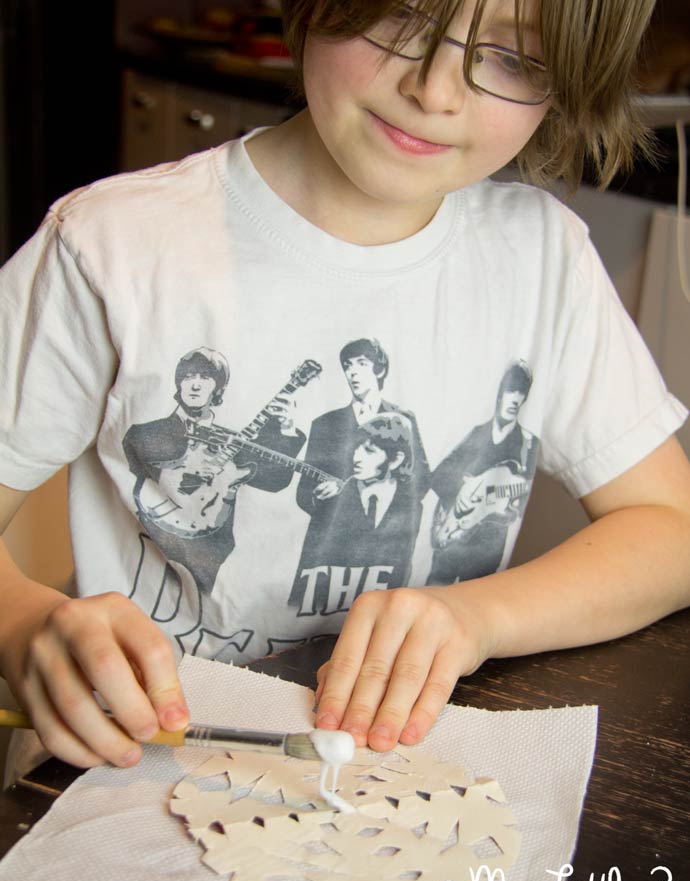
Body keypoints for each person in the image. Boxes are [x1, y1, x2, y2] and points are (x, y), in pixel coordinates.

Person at [1, 0, 690, 773]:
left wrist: (478, 618)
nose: (435, 91)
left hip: (397, 765)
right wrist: (24, 626)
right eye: (404, 19)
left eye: (515, 60)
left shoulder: (543, 259)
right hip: (136, 757)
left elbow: (671, 527)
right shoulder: (112, 247)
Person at [122, 346, 306, 658]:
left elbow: (275, 480)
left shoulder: (233, 440)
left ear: (217, 388)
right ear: (179, 384)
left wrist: (285, 429)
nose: (195, 384)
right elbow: (142, 456)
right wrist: (188, 464)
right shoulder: (146, 431)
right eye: (189, 376)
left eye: (205, 378)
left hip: (218, 546)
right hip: (158, 542)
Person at [289, 337, 430, 608]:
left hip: (386, 551)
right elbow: (304, 494)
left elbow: (421, 481)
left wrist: (384, 488)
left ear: (379, 369)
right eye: (348, 366)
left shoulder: (404, 420)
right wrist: (322, 496)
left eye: (362, 364)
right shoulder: (325, 424)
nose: (353, 372)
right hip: (329, 557)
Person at [293, 411, 424, 616]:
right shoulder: (334, 496)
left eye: (370, 451)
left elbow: (401, 568)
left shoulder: (410, 507)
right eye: (357, 448)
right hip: (321, 612)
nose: (357, 457)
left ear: (396, 460)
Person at [428, 360, 538, 584]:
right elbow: (437, 477)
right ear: (500, 394)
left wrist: (504, 507)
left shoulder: (528, 445)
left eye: (521, 393)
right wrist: (464, 487)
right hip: (451, 537)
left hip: (487, 548)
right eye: (511, 391)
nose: (515, 399)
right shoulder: (477, 434)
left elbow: (515, 506)